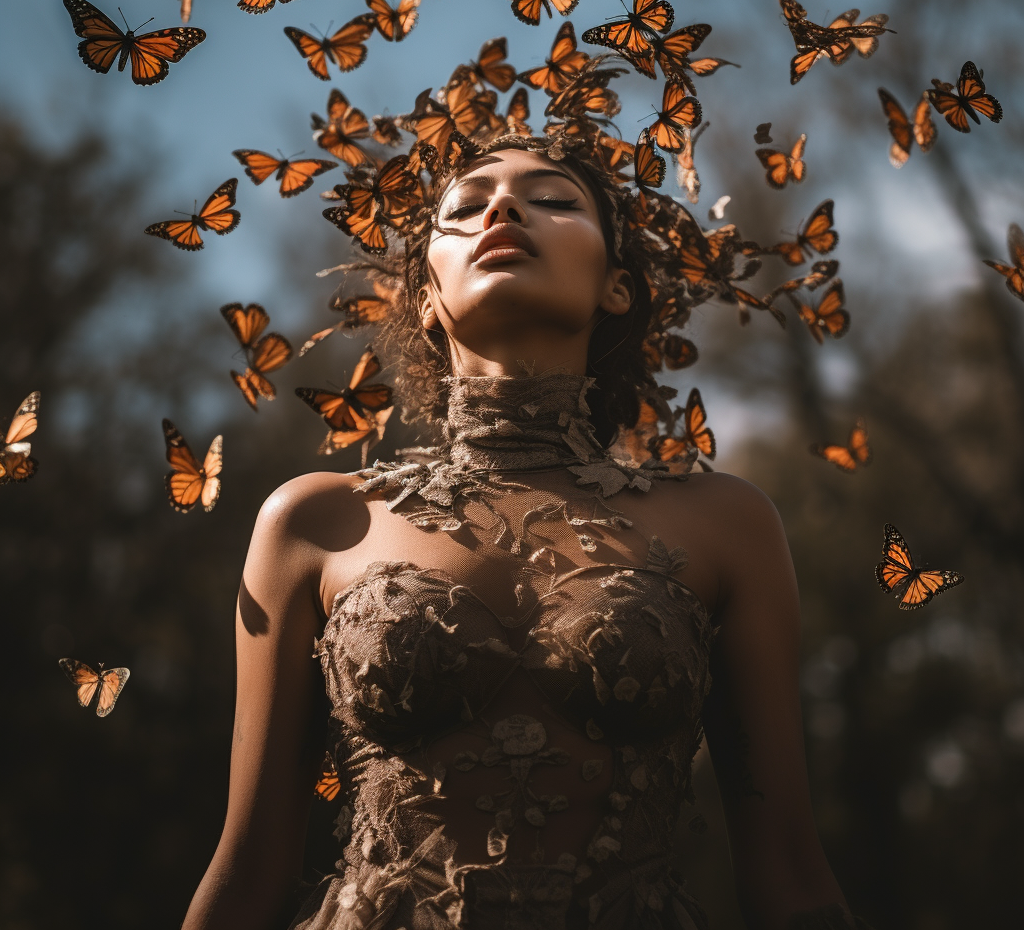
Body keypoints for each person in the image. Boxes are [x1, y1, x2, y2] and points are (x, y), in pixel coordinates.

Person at [182, 134, 872, 930]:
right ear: (425, 300)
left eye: (552, 199)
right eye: (467, 207)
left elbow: (786, 868)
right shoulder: (316, 522)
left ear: (617, 287)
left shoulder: (728, 524)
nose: (503, 208)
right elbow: (247, 873)